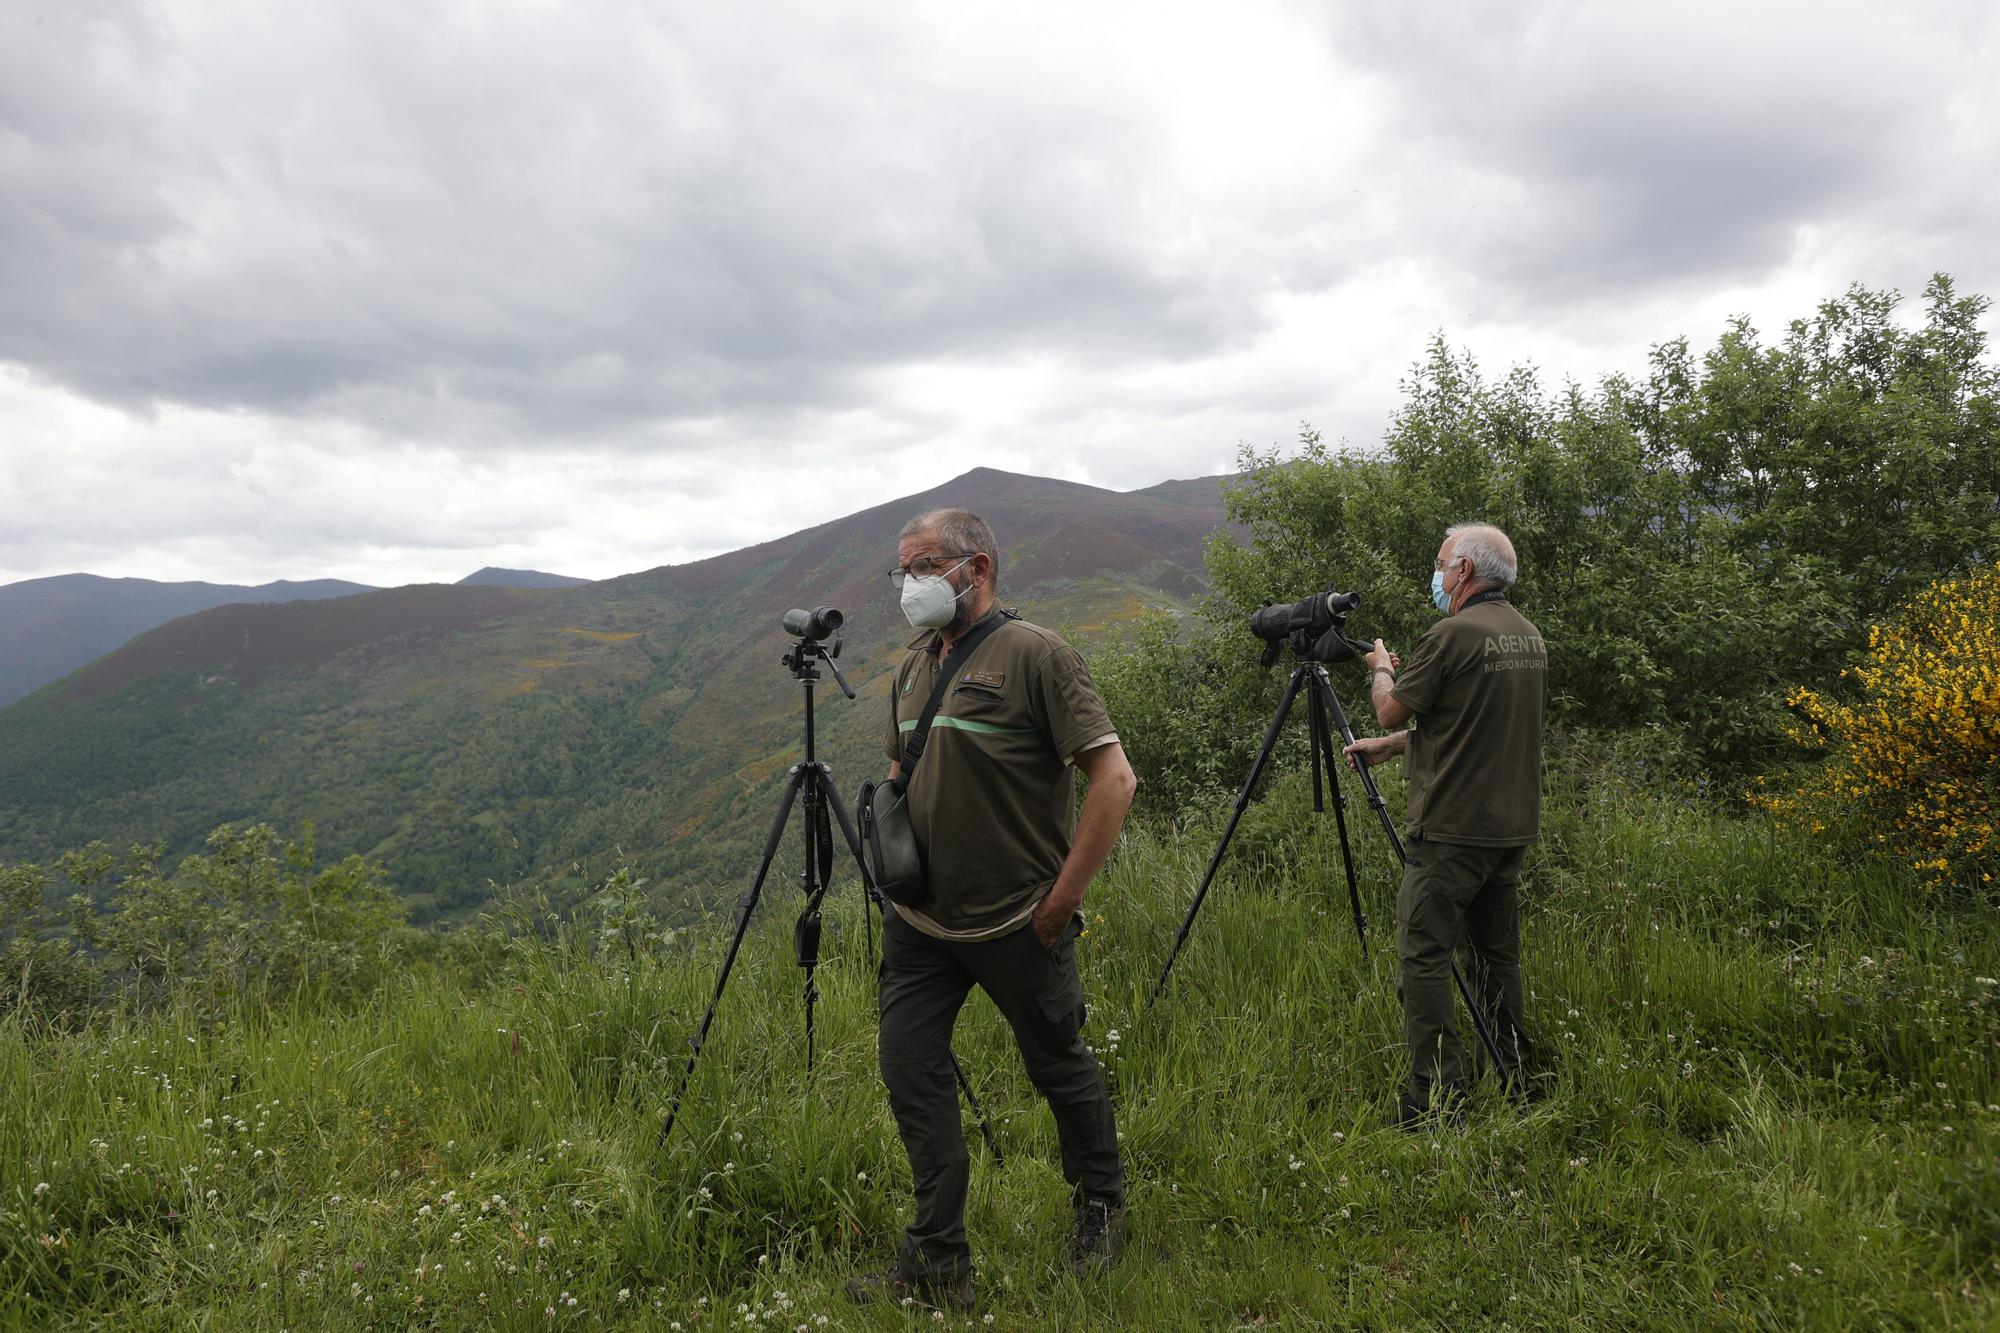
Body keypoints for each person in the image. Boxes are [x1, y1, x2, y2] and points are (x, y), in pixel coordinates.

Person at [846, 508, 1137, 1311]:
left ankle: (1102, 1207)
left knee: (1058, 1067)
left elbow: (1114, 781)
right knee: (911, 1069)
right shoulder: (913, 668)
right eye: (900, 570)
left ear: (975, 569)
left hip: (1019, 921)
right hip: (923, 925)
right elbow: (908, 776)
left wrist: (1059, 905)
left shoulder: (1038, 655)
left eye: (923, 566)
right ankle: (938, 1260)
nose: (909, 585)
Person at [1343, 522, 1545, 1127]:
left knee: (1424, 958)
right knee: (1495, 957)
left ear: (1464, 571)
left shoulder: (1451, 634)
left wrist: (1381, 667)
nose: (1436, 575)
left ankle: (1437, 1099)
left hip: (1452, 828)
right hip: (1509, 828)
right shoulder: (1527, 637)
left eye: (1439, 564)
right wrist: (1398, 745)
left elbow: (1388, 703)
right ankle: (1517, 1076)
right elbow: (1475, 726)